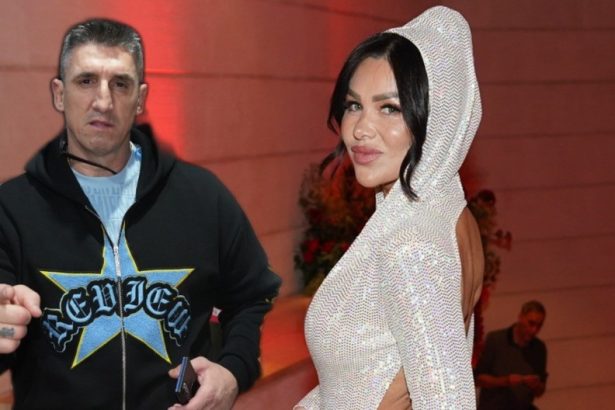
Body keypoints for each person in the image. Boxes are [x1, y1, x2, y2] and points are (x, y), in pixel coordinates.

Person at [0, 18, 280, 409]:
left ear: (141, 98)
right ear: (59, 94)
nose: (103, 101)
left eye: (120, 83)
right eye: (86, 81)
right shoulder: (12, 209)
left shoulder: (202, 197)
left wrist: (233, 371)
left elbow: (253, 297)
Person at [295, 6, 484, 409]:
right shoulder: (448, 210)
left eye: (390, 108)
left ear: (434, 119)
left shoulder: (411, 243)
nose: (360, 129)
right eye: (353, 105)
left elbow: (447, 401)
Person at [475, 301, 548, 410]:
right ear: (520, 317)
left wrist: (536, 385)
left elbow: (540, 391)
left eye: (539, 326)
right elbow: (478, 379)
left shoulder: (539, 348)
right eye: (531, 323)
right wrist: (505, 381)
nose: (534, 330)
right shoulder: (495, 340)